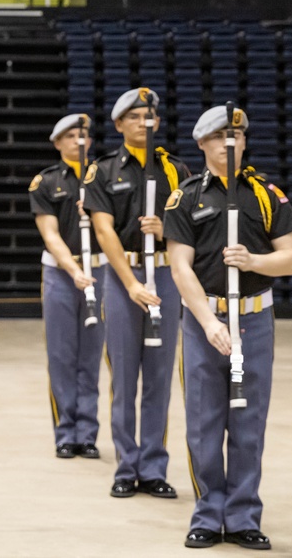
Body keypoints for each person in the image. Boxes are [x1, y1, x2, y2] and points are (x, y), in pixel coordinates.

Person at [166, 106, 292, 550]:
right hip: (207, 320)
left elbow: (290, 258)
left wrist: (253, 261)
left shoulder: (265, 195)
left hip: (255, 318)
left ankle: (243, 516)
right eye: (223, 136)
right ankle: (207, 514)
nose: (232, 142)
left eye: (238, 136)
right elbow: (180, 267)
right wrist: (207, 321)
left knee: (248, 421)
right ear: (203, 144)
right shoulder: (186, 198)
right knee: (204, 423)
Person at [83, 87, 190, 499]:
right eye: (135, 115)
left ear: (158, 122)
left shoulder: (175, 171)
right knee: (125, 375)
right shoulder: (105, 170)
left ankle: (154, 466)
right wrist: (129, 282)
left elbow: (191, 229)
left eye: (150, 115)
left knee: (159, 376)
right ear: (120, 123)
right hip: (123, 274)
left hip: (165, 274)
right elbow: (103, 228)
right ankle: (126, 466)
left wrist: (167, 230)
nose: (144, 121)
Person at [29, 114, 104, 459]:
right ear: (57, 143)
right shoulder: (46, 182)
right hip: (61, 275)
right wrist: (74, 269)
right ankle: (65, 432)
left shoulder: (102, 177)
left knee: (91, 356)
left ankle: (87, 432)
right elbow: (50, 234)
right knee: (62, 355)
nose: (78, 141)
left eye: (83, 135)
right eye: (70, 136)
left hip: (100, 272)